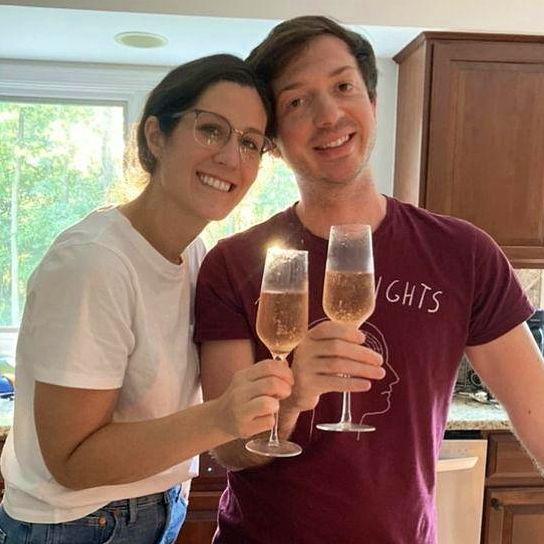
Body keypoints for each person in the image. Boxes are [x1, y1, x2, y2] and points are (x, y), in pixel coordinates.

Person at [194, 16, 544, 544]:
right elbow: (229, 450)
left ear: (373, 102)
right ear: (273, 141)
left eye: (343, 87)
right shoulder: (233, 264)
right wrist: (293, 399)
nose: (329, 116)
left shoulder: (463, 254)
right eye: (297, 101)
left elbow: (537, 413)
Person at [0, 54, 295, 544]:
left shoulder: (194, 253)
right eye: (211, 130)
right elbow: (71, 460)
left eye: (250, 142)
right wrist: (220, 416)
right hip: (78, 525)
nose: (232, 158)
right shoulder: (93, 262)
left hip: (154, 508)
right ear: (156, 136)